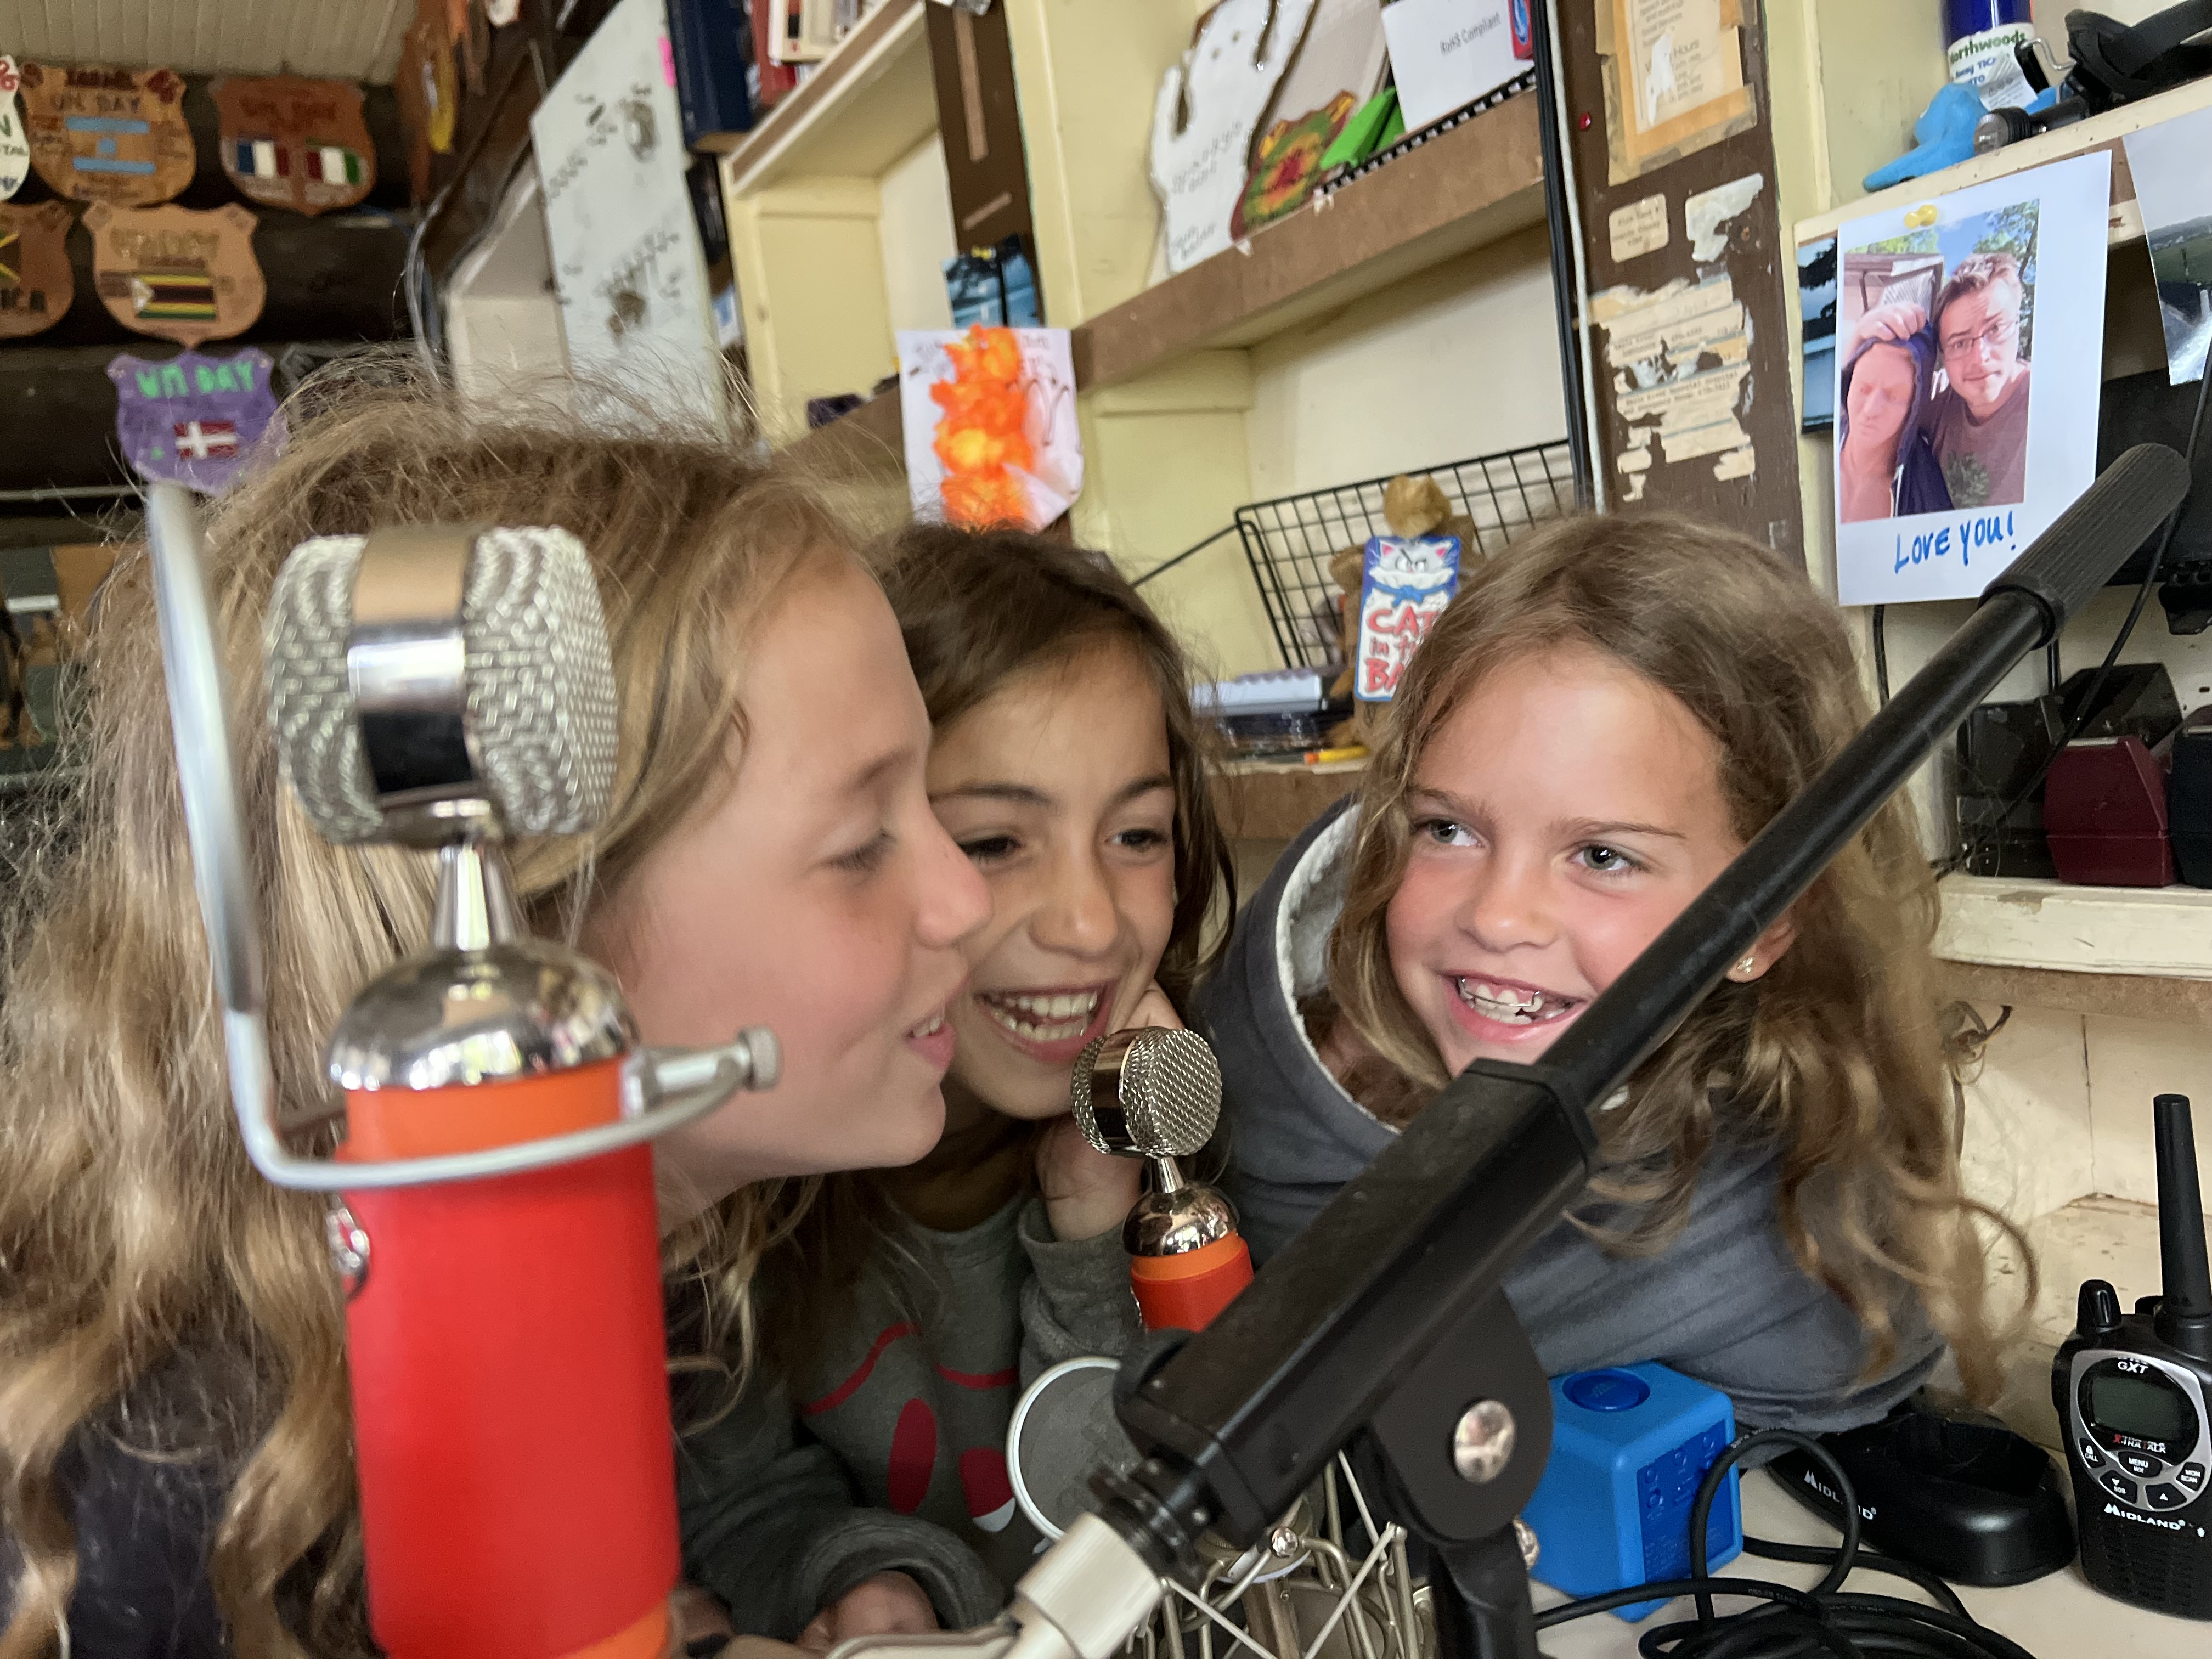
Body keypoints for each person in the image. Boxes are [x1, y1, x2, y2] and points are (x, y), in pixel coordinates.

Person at [0, 382, 989, 1659]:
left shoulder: (649, 1277)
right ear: (535, 933)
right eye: (860, 846)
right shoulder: (159, 1536)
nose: (968, 901)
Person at [1199, 512, 2027, 1432]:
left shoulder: (1803, 1219)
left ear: (1772, 916)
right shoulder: (1247, 1098)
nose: (1498, 915)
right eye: (1448, 828)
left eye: (1601, 855)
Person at [674, 526, 1234, 1644]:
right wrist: (878, 1581)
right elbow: (738, 1500)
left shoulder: (1185, 1133)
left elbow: (1152, 1537)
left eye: (1137, 834)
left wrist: (1092, 1222)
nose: (1089, 923)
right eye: (992, 843)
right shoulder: (743, 1180)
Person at [1857, 251, 2032, 511]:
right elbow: (1854, 415)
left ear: (2017, 324)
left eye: (1995, 329)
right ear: (1944, 356)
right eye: (1960, 343)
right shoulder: (1940, 402)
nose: (1980, 357)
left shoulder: (2048, 406)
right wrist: (1860, 335)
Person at [1837, 327, 1952, 522]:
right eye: (1864, 389)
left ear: (1913, 408)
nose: (1871, 410)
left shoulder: (1924, 491)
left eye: (1893, 396)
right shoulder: (1826, 443)